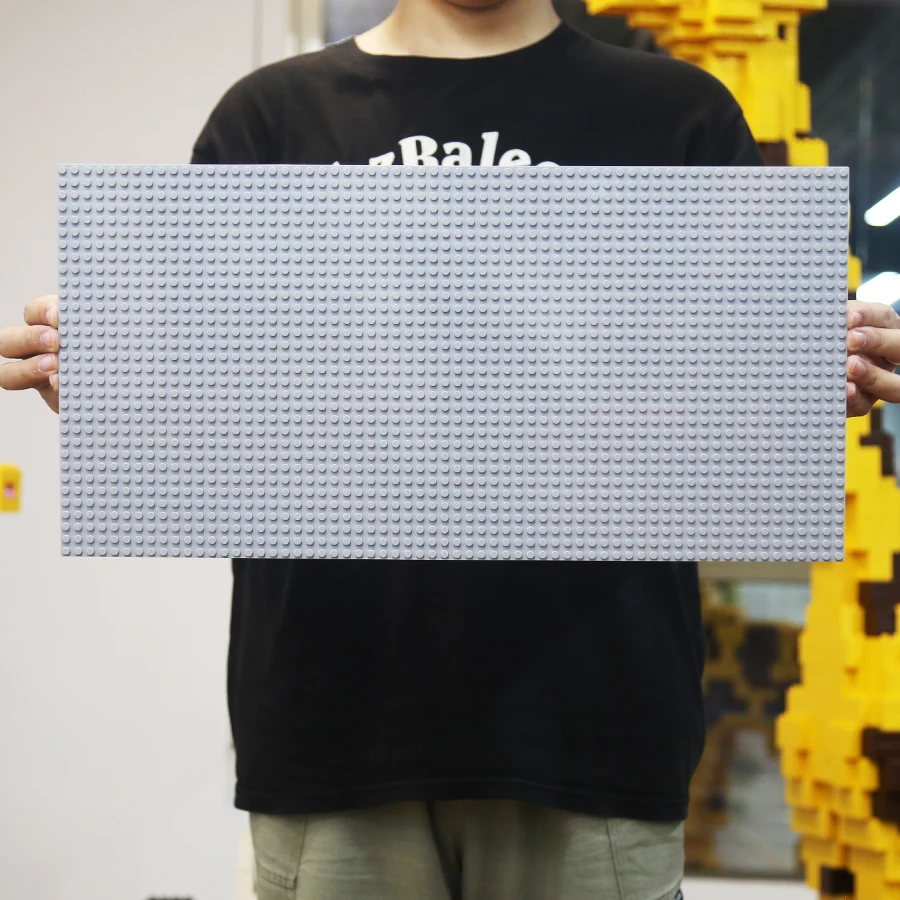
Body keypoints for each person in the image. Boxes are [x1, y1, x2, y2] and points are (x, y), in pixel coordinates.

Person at [3, 0, 900, 897]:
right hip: (331, 721)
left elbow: (730, 402)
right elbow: (215, 407)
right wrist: (121, 392)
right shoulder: (269, 118)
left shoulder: (678, 115)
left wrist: (809, 385)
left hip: (598, 719)